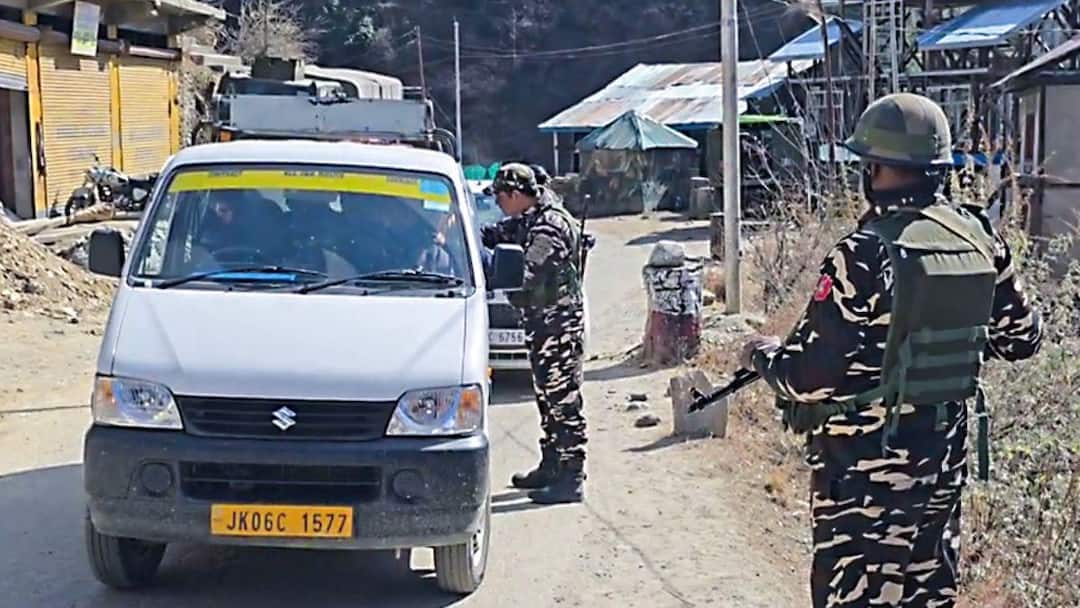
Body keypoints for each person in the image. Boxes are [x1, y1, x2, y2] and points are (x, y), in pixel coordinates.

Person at [739, 93, 1042, 607]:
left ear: (875, 169)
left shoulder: (862, 253)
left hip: (863, 481)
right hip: (941, 468)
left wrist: (762, 355)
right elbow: (1022, 339)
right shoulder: (981, 238)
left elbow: (808, 378)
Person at [481, 162, 588, 504]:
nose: (498, 204)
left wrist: (486, 265)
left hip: (558, 325)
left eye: (500, 198)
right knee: (546, 397)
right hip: (542, 323)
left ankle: (571, 477)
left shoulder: (549, 226)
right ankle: (552, 464)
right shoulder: (530, 217)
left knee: (562, 399)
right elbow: (496, 233)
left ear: (515, 194)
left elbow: (526, 273)